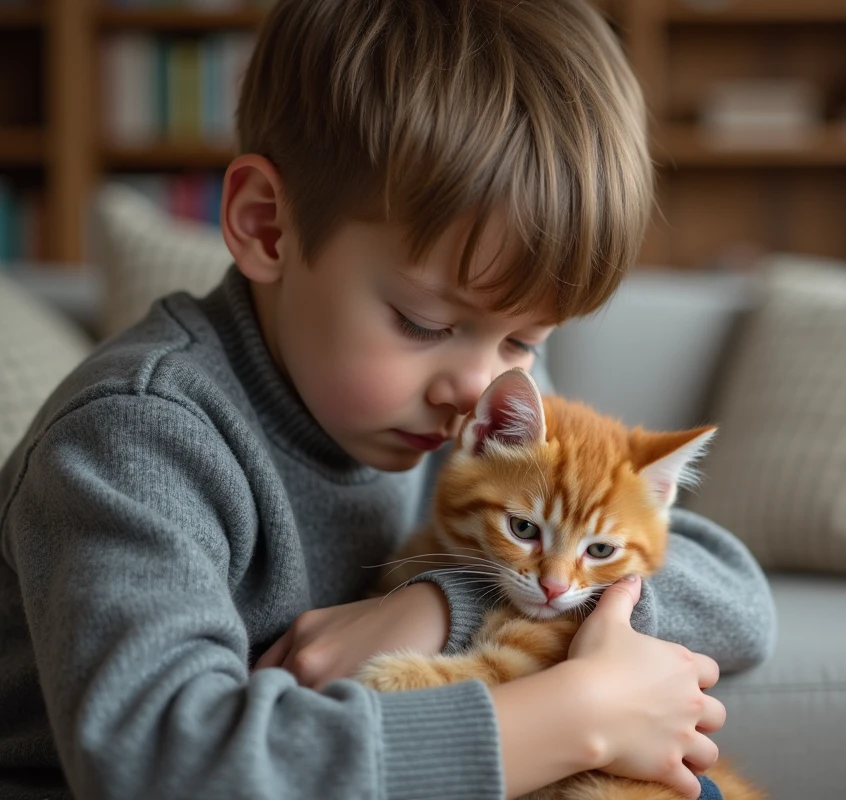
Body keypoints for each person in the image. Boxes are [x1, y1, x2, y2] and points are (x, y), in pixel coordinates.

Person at [0, 1, 776, 798]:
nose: (481, 386)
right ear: (267, 226)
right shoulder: (136, 439)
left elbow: (739, 600)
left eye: (524, 342)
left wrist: (440, 603)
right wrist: (578, 713)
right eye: (424, 321)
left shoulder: (464, 401)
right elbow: (171, 767)